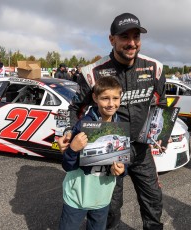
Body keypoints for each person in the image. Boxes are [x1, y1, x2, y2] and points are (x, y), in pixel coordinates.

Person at [58, 12, 166, 230]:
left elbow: (160, 105)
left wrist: (161, 134)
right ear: (112, 39)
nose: (132, 42)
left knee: (153, 199)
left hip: (142, 149)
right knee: (111, 207)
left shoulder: (155, 68)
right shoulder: (92, 72)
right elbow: (75, 108)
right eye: (125, 37)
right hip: (109, 148)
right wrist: (69, 132)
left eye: (136, 36)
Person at [59, 76, 126, 230]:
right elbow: (67, 166)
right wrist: (73, 149)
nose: (111, 104)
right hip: (77, 197)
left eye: (115, 98)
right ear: (95, 98)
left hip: (102, 198)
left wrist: (122, 170)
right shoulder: (82, 125)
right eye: (105, 98)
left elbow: (123, 162)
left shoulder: (121, 126)